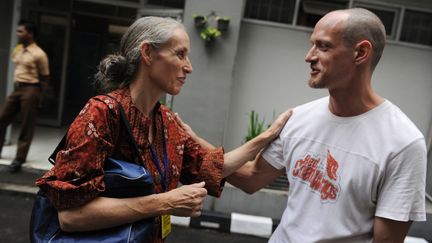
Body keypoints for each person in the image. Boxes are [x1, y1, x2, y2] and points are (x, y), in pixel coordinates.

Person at [35, 16, 292, 242]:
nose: (188, 67)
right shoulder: (101, 113)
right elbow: (70, 216)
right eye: (180, 54)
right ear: (147, 53)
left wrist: (266, 137)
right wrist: (165, 202)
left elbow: (209, 168)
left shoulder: (167, 122)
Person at [185, 8, 427, 242]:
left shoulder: (403, 143)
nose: (309, 56)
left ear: (360, 53)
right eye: (312, 44)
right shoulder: (298, 119)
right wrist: (194, 142)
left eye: (323, 46)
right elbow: (252, 178)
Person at [0, 20, 50, 173]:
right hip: (17, 89)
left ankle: (19, 159)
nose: (17, 34)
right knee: (2, 118)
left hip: (31, 89)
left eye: (20, 31)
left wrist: (39, 97)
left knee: (26, 125)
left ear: (30, 34)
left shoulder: (39, 54)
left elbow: (45, 78)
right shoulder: (19, 49)